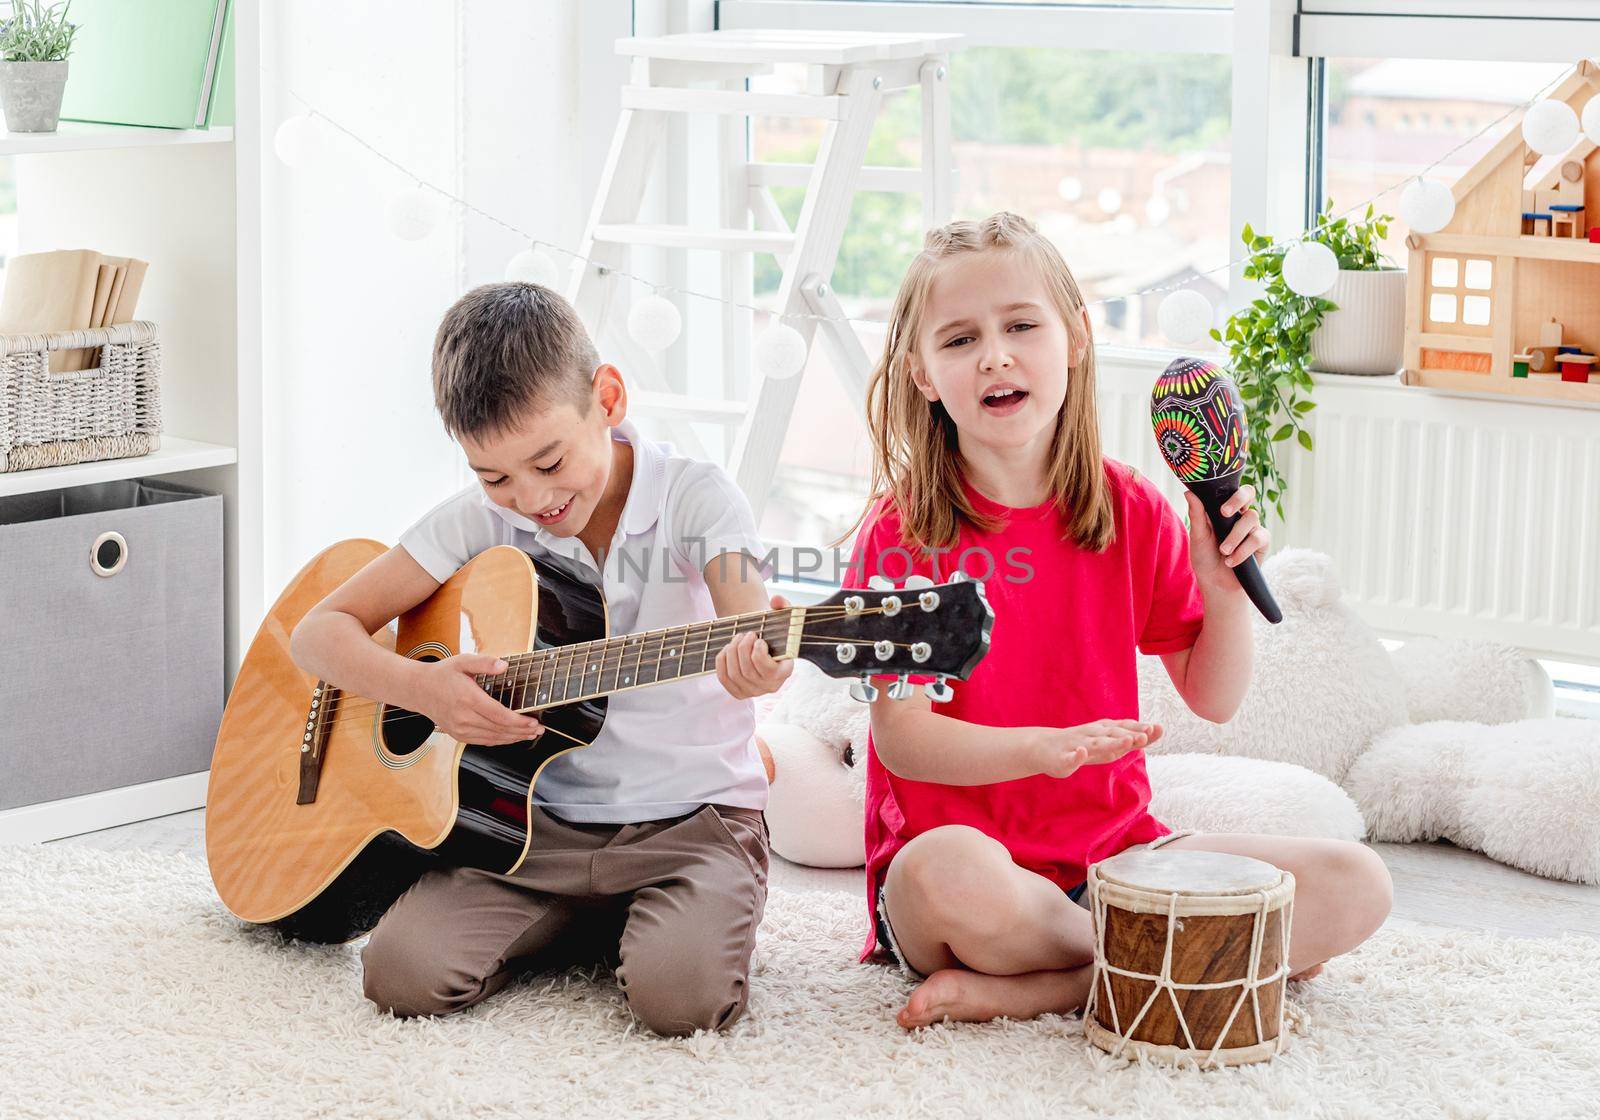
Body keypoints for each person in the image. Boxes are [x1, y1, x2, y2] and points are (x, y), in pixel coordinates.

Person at [844, 212, 1393, 1030]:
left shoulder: (1127, 508)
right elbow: (902, 739)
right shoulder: (901, 534)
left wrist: (1222, 589)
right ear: (922, 374)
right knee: (945, 874)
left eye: (1021, 325)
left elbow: (1213, 696)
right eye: (959, 340)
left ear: (1074, 338)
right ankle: (1177, 962)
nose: (995, 354)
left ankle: (1058, 983)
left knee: (1356, 884)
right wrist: (1039, 751)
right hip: (967, 878)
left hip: (1118, 860)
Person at [289, 282, 791, 1035]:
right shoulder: (483, 520)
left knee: (681, 1002)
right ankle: (592, 919)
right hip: (530, 829)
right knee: (399, 974)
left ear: (609, 398)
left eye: (550, 461)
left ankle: (639, 921)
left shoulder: (695, 498)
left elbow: (748, 621)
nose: (529, 497)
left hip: (690, 822)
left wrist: (762, 661)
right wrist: (422, 689)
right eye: (493, 476)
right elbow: (317, 633)